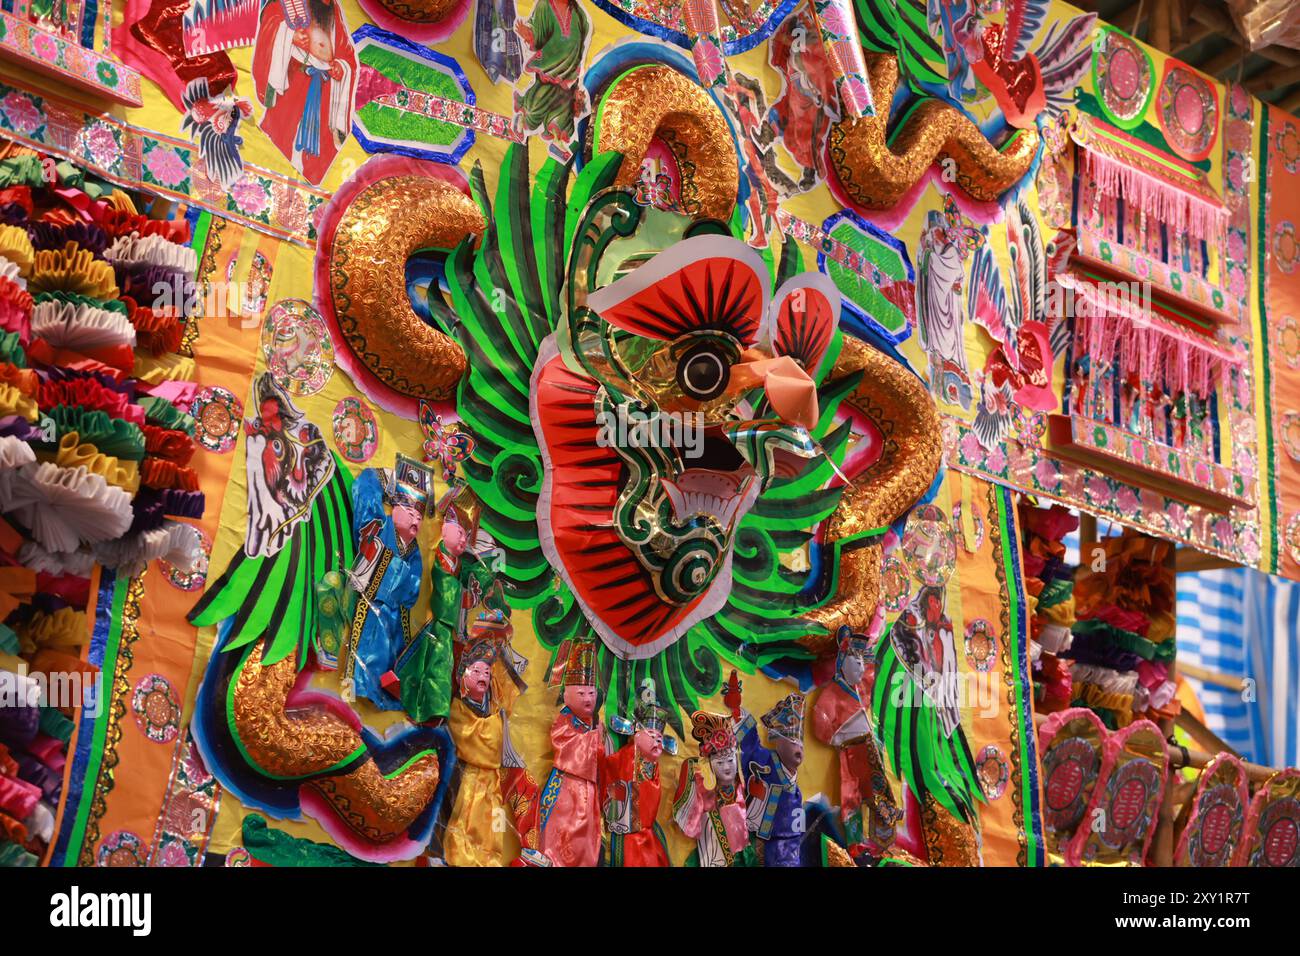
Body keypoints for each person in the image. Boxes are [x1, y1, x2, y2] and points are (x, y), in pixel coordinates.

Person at [395, 503, 502, 724]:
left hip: (446, 626)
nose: (463, 541)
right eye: (461, 533)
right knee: (436, 666)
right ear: (445, 528)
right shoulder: (438, 557)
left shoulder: (458, 565)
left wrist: (477, 582)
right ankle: (434, 709)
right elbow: (445, 590)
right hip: (437, 622)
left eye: (467, 537)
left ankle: (435, 709)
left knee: (439, 665)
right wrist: (462, 591)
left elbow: (466, 590)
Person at [341, 456, 431, 711]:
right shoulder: (378, 528)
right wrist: (385, 476)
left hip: (393, 621)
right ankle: (349, 700)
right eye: (411, 513)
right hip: (368, 609)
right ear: (395, 510)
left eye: (420, 517)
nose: (416, 520)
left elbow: (411, 593)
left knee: (392, 665)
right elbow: (364, 488)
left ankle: (382, 698)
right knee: (356, 667)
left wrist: (395, 572)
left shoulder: (413, 552)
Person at [442, 616, 527, 866]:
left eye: (487, 672)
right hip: (468, 780)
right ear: (462, 677)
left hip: (492, 783)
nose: (483, 675)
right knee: (464, 832)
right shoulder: (459, 708)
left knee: (492, 835)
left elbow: (505, 696)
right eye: (476, 670)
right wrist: (497, 722)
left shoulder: (493, 709)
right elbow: (476, 743)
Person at [812, 628, 902, 851]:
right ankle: (855, 844)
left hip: (868, 748)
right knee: (851, 797)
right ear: (841, 662)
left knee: (878, 789)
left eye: (862, 661)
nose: (860, 666)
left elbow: (875, 679)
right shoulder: (831, 693)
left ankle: (884, 830)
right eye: (855, 660)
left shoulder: (859, 690)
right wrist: (839, 737)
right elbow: (820, 726)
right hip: (850, 752)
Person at [251, 0, 357, 184]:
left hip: (325, 85)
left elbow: (345, 49)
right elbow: (270, 23)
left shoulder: (334, 8)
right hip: (294, 76)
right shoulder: (291, 3)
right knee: (280, 133)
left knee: (320, 149)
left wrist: (341, 66)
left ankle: (311, 185)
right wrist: (289, 35)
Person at [537, 639, 602, 866]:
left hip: (589, 792)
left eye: (592, 693)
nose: (588, 698)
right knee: (562, 837)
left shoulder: (594, 723)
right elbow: (566, 746)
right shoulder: (564, 719)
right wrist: (595, 739)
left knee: (586, 843)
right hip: (567, 787)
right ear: (567, 695)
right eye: (582, 692)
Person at [602, 680, 674, 867]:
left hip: (648, 832)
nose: (657, 742)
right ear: (636, 735)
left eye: (659, 738)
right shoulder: (623, 759)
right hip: (628, 833)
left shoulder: (653, 766)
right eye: (651, 736)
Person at [673, 709, 756, 867]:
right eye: (719, 762)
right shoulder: (704, 792)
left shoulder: (742, 787)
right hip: (714, 856)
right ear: (709, 764)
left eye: (730, 760)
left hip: (744, 857)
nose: (726, 767)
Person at [738, 693, 806, 866]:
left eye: (801, 745)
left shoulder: (797, 790)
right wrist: (740, 713)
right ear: (779, 743)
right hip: (765, 842)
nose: (799, 750)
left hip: (790, 848)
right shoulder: (767, 762)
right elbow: (751, 747)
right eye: (793, 742)